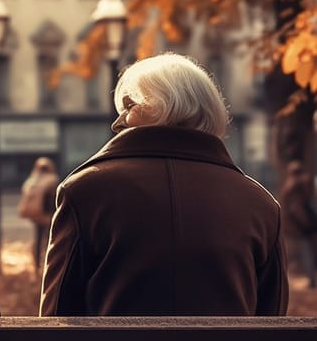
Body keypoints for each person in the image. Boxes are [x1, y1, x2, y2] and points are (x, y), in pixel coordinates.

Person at [40, 52, 288, 316]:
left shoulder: (83, 191)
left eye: (125, 108)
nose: (116, 123)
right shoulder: (260, 205)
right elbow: (271, 318)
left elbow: (57, 318)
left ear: (139, 107)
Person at [279, 160, 317, 288]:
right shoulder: (295, 187)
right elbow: (297, 209)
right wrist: (307, 224)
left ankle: (309, 278)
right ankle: (310, 278)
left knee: (300, 253)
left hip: (296, 227)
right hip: (300, 227)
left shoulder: (292, 186)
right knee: (304, 253)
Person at [17, 157, 59, 270]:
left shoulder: (32, 180)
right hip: (48, 214)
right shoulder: (52, 180)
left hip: (36, 214)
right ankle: (47, 263)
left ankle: (36, 264)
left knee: (38, 238)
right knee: (49, 239)